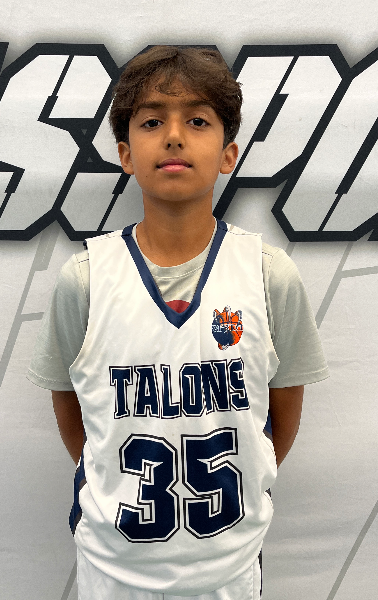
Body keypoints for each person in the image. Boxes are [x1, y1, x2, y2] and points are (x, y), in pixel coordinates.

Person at [28, 46, 329, 600]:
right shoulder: (86, 278)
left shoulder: (268, 274)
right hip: (114, 570)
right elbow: (74, 410)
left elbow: (280, 417)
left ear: (228, 153)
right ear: (125, 154)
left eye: (197, 121)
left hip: (227, 570)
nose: (173, 136)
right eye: (151, 121)